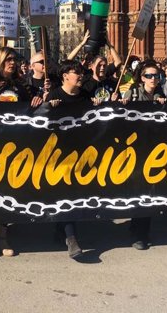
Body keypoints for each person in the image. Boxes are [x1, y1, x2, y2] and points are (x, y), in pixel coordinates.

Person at [0, 47, 42, 260]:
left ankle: (2, 235)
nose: (12, 63)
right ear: (0, 61)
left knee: (9, 191)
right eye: (8, 59)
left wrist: (37, 100)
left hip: (15, 146)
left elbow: (32, 106)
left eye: (14, 59)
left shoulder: (22, 86)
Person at [46, 60, 101, 258]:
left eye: (81, 72)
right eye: (75, 72)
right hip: (58, 155)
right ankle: (72, 239)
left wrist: (97, 105)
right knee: (67, 194)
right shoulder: (54, 95)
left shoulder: (86, 95)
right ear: (65, 76)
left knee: (73, 195)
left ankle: (60, 230)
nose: (80, 76)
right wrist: (47, 106)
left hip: (81, 154)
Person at [122, 60, 165, 250]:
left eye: (156, 75)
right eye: (149, 75)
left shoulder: (160, 94)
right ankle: (137, 231)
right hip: (134, 148)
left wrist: (164, 105)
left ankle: (140, 231)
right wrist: (121, 103)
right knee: (138, 191)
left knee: (149, 191)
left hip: (154, 149)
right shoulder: (132, 93)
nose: (153, 79)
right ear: (142, 77)